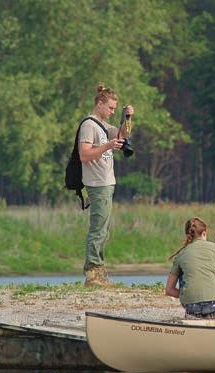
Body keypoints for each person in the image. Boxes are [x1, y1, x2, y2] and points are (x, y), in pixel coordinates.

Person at [78, 84, 134, 286]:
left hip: (107, 182)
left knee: (103, 229)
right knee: (98, 229)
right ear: (100, 104)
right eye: (110, 108)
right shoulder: (89, 125)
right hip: (97, 183)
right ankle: (92, 273)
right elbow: (84, 155)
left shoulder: (102, 125)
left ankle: (99, 271)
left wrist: (127, 118)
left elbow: (122, 135)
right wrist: (108, 146)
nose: (112, 112)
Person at [165, 217, 215, 319]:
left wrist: (187, 295)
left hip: (192, 308)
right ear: (204, 233)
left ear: (187, 235)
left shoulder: (181, 255)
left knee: (185, 273)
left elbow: (169, 290)